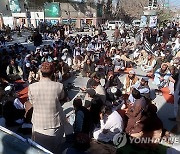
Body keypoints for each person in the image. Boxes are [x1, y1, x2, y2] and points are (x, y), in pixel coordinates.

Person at [28, 62, 66, 153]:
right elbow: (61, 98)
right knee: (54, 149)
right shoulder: (59, 86)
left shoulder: (32, 87)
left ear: (40, 72)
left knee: (38, 149)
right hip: (54, 123)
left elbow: (31, 101)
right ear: (53, 73)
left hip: (38, 123)